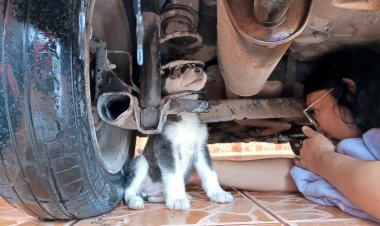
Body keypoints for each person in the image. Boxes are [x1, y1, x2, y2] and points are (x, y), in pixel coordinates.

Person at [292, 43, 380, 221]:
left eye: (314, 112)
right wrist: (219, 172)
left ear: (348, 90)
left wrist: (321, 159)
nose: (318, 127)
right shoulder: (357, 151)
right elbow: (296, 171)